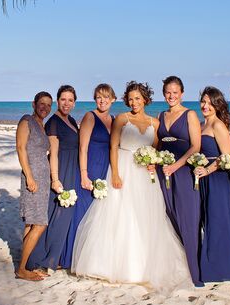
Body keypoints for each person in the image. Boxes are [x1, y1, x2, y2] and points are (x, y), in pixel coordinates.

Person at [72, 81, 192, 291]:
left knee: (145, 216)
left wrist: (153, 162)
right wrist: (116, 174)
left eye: (138, 98)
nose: (134, 102)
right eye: (131, 99)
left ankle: (143, 266)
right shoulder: (121, 119)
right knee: (120, 214)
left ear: (145, 99)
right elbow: (113, 147)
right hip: (124, 170)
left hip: (145, 175)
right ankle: (115, 266)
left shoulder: (155, 123)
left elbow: (155, 148)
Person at [155, 76, 203, 286]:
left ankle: (195, 272)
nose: (171, 96)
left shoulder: (190, 114)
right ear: (164, 93)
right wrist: (153, 162)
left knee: (188, 218)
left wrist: (177, 165)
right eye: (168, 92)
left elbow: (196, 146)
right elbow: (157, 145)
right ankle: (177, 268)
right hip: (162, 171)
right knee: (168, 215)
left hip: (182, 172)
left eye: (175, 92)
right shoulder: (160, 114)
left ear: (182, 93)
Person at [27, 85, 80, 271]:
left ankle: (57, 256)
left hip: (72, 168)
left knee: (65, 215)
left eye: (70, 100)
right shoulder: (54, 122)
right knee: (57, 214)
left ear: (74, 103)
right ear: (58, 101)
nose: (66, 103)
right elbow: (54, 153)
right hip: (61, 170)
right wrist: (55, 179)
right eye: (63, 99)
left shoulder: (71, 120)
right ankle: (44, 258)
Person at [192, 86, 230, 282]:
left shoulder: (218, 126)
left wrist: (207, 170)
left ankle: (223, 270)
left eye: (210, 103)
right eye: (203, 101)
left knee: (219, 221)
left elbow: (227, 157)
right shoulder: (200, 126)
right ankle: (207, 265)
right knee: (204, 222)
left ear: (217, 105)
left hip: (217, 179)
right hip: (202, 179)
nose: (205, 106)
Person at [15, 91, 53, 281]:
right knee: (40, 223)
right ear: (34, 103)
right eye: (42, 103)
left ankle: (26, 265)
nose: (44, 107)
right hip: (33, 178)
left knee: (31, 223)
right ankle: (22, 269)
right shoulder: (27, 120)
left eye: (48, 105)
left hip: (43, 178)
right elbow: (20, 148)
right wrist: (29, 177)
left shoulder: (42, 125)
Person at [71, 84, 115, 243]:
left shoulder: (114, 120)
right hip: (89, 169)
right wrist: (84, 175)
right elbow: (82, 148)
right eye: (99, 97)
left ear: (113, 100)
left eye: (106, 97)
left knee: (97, 215)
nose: (102, 101)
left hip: (105, 170)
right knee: (83, 212)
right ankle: (73, 256)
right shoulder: (90, 117)